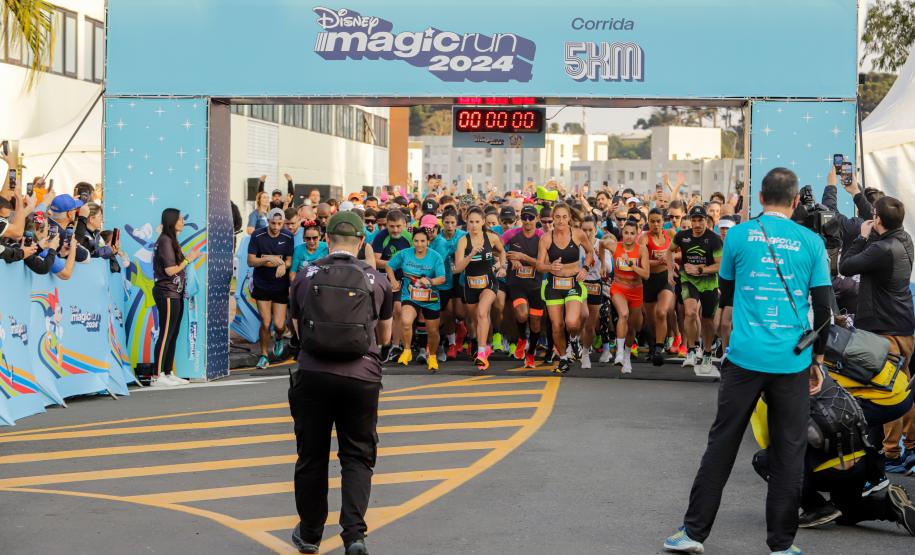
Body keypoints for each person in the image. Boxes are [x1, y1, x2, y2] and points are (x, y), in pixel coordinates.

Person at [663, 167, 832, 555]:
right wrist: (817, 361)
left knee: (722, 443)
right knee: (789, 451)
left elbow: (725, 294)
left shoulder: (737, 236)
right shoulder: (811, 242)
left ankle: (692, 534)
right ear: (794, 202)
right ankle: (781, 545)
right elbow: (823, 309)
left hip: (743, 357)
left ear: (759, 198)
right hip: (792, 361)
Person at [288, 211, 393, 555]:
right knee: (357, 456)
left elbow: (296, 326)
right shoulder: (375, 280)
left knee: (311, 456)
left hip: (314, 374)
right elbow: (386, 334)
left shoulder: (307, 274)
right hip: (360, 377)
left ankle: (310, 533)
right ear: (362, 241)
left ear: (328, 239)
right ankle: (354, 535)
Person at [838, 195, 915, 475]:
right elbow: (879, 224)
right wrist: (857, 193)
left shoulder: (881, 249)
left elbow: (845, 266)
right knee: (905, 388)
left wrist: (859, 237)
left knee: (887, 391)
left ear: (878, 221)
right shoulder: (905, 239)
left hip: (885, 330)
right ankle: (912, 447)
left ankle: (892, 453)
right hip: (904, 326)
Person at [536, 203, 594, 374]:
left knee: (571, 322)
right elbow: (539, 265)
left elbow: (590, 253)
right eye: (557, 217)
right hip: (554, 284)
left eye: (564, 217)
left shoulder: (577, 234)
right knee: (556, 325)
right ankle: (562, 359)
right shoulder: (546, 238)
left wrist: (585, 269)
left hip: (572, 283)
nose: (560, 221)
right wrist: (549, 267)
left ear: (569, 218)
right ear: (553, 218)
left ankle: (574, 338)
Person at [667, 205, 722, 376]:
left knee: (707, 320)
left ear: (706, 220)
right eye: (694, 220)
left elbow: (719, 265)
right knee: (690, 313)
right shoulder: (682, 236)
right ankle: (691, 349)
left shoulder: (714, 239)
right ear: (690, 221)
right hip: (688, 280)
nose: (697, 224)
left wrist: (700, 269)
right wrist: (670, 271)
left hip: (708, 282)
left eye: (701, 220)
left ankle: (706, 353)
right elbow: (669, 252)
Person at [385, 227, 446, 372]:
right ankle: (406, 351)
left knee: (433, 331)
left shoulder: (435, 256)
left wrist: (430, 281)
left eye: (423, 241)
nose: (419, 244)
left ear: (428, 242)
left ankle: (431, 356)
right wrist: (393, 281)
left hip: (431, 298)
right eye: (416, 241)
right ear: (413, 241)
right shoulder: (405, 254)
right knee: (406, 321)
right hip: (410, 296)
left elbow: (442, 278)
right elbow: (389, 266)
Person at [453, 206, 506, 371]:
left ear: (483, 222)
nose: (474, 225)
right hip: (470, 285)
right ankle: (486, 343)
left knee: (482, 312)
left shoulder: (491, 237)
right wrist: (471, 254)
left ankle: (481, 353)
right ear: (466, 223)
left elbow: (502, 251)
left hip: (489, 282)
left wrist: (500, 265)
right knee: (477, 319)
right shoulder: (463, 241)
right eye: (471, 222)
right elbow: (457, 268)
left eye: (477, 222)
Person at [152, 208, 200, 387]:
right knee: (165, 334)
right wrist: (189, 259)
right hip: (166, 292)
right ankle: (157, 375)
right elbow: (170, 270)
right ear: (172, 221)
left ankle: (167, 372)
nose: (183, 222)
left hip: (175, 292)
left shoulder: (171, 240)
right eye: (180, 219)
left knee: (173, 333)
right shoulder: (165, 241)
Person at [247, 208, 294, 369]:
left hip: (280, 285)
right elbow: (251, 261)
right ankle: (264, 355)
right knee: (266, 322)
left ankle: (279, 337)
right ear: (268, 221)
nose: (276, 227)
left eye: (279, 223)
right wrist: (269, 259)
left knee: (280, 325)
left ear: (283, 223)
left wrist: (282, 265)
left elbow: (289, 260)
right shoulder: (258, 235)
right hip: (262, 283)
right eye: (273, 223)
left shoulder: (288, 236)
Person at [502, 204, 544, 368]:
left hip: (535, 285)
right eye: (524, 218)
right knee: (521, 315)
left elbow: (544, 263)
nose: (527, 221)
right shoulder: (512, 234)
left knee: (535, 323)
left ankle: (531, 353)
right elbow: (496, 247)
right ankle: (521, 338)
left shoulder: (542, 237)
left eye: (531, 218)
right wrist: (509, 258)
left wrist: (523, 257)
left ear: (537, 219)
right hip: (517, 283)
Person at [609, 220, 649, 374]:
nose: (629, 236)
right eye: (626, 233)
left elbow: (646, 274)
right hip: (618, 287)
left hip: (636, 289)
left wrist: (632, 265)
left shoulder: (641, 250)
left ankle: (626, 356)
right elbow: (601, 244)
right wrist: (601, 267)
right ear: (622, 233)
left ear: (637, 234)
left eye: (632, 233)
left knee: (632, 328)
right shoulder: (615, 246)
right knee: (623, 314)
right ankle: (619, 352)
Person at [640, 208, 677, 366]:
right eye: (652, 221)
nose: (655, 224)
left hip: (665, 279)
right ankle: (654, 343)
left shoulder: (671, 234)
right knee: (651, 319)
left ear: (664, 221)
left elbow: (681, 252)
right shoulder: (644, 238)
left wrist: (670, 258)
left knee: (662, 312)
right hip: (648, 280)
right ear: (648, 222)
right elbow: (642, 261)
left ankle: (658, 349)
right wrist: (660, 261)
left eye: (658, 221)